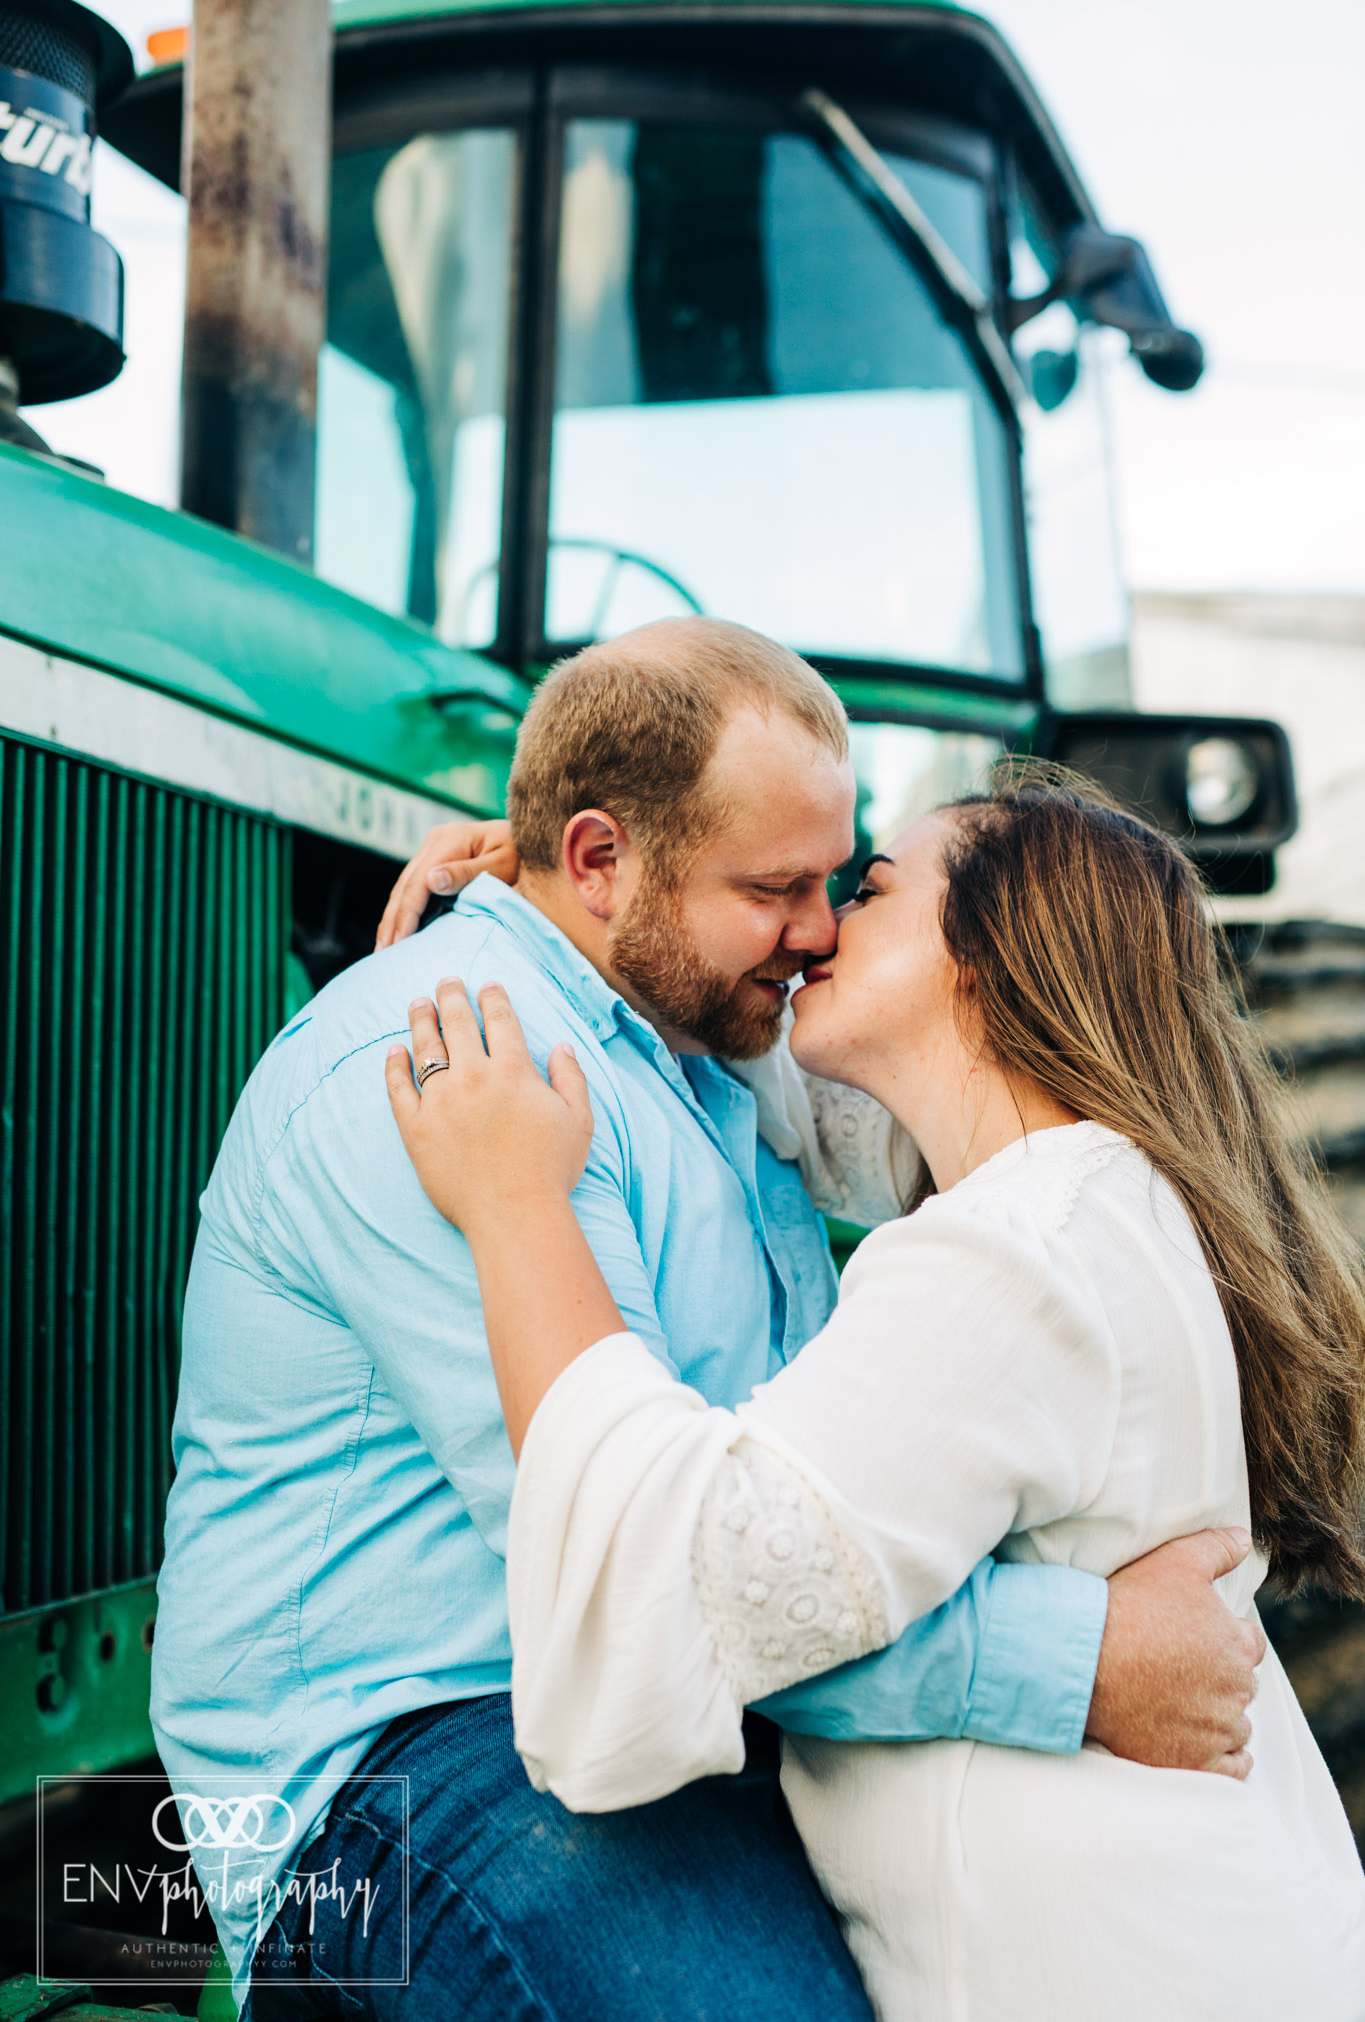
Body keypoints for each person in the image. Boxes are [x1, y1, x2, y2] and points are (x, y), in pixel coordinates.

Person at [152, 621, 1263, 2021]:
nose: (816, 934)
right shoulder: (448, 1080)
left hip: (652, 1716)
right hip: (391, 1774)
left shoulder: (712, 1057)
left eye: (836, 882)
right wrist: (1080, 1661)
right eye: (776, 888)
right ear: (604, 861)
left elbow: (960, 1092)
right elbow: (652, 1592)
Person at [386, 764, 1365, 2021]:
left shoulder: (1015, 1249)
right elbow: (796, 1102)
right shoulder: (1098, 1195)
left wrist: (516, 1202)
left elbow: (671, 1584)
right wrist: (584, 887)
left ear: (989, 956)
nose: (818, 927)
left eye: (873, 889)